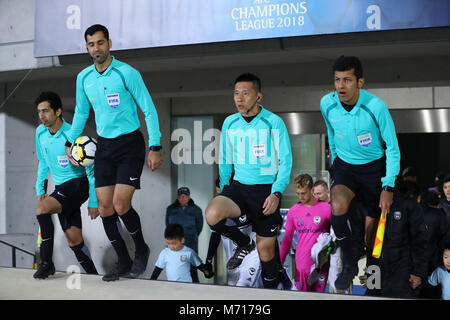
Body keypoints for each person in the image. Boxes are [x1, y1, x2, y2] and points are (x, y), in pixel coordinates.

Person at [64, 24, 162, 281]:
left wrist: (155, 146)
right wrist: (70, 143)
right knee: (106, 208)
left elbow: (149, 109)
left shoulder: (126, 73)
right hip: (104, 146)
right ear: (87, 47)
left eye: (100, 43)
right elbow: (82, 113)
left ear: (109, 43)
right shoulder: (84, 78)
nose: (96, 49)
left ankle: (141, 247)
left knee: (121, 204)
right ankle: (124, 260)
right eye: (91, 45)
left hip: (130, 144)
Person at [320, 55, 401, 290]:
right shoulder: (327, 103)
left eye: (347, 80)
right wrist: (335, 163)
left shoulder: (375, 106)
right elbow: (331, 133)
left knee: (371, 236)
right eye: (337, 80)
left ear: (360, 82)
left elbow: (393, 148)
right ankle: (350, 262)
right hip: (345, 167)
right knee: (336, 206)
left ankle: (373, 284)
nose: (340, 86)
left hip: (374, 170)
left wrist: (388, 186)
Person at [205, 72, 293, 289]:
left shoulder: (273, 122)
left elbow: (286, 160)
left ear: (258, 96)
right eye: (236, 93)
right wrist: (225, 189)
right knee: (212, 214)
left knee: (267, 253)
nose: (239, 98)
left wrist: (277, 192)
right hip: (239, 189)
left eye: (245, 93)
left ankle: (272, 293)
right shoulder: (230, 122)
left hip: (266, 192)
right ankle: (244, 243)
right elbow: (225, 158)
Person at [34, 91, 99, 279]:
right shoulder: (40, 133)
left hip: (78, 185)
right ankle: (94, 276)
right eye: (39, 112)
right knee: (74, 241)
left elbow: (90, 170)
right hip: (61, 189)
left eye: (46, 111)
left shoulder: (72, 135)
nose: (42, 116)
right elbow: (43, 162)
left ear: (58, 111)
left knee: (42, 210)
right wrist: (41, 189)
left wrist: (93, 201)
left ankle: (46, 263)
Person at [365, 180, 428, 298]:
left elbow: (419, 240)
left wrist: (418, 273)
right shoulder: (370, 203)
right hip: (373, 266)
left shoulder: (408, 204)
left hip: (400, 268)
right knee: (371, 296)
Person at [279, 174, 331, 292]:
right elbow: (287, 239)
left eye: (303, 193)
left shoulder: (327, 208)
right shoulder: (293, 211)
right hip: (301, 263)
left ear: (312, 190)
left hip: (321, 263)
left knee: (319, 296)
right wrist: (280, 261)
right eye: (298, 193)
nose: (300, 197)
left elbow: (334, 234)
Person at [166, 187, 203, 282]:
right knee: (175, 264)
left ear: (189, 197)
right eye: (180, 196)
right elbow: (168, 225)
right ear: (178, 198)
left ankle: (194, 287)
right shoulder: (170, 209)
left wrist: (191, 235)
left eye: (185, 196)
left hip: (190, 241)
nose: (182, 198)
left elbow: (199, 226)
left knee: (192, 265)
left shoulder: (196, 210)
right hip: (175, 242)